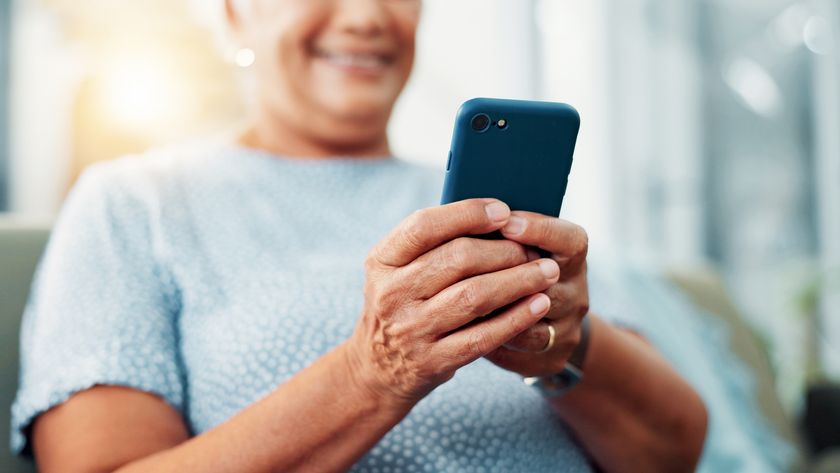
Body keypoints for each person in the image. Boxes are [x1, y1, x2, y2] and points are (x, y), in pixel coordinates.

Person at [12, 1, 709, 471]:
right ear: (233, 13)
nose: (369, 16)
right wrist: (372, 375)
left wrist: (562, 347)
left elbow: (677, 447)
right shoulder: (135, 203)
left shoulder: (491, 207)